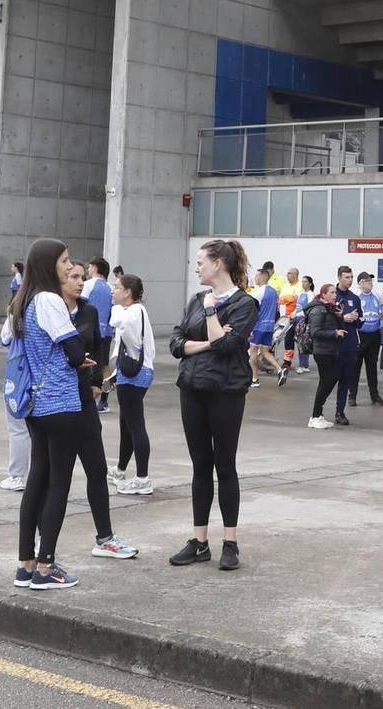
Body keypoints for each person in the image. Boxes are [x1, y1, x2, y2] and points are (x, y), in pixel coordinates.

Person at [167, 239, 258, 571]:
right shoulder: (195, 299)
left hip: (226, 392)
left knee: (225, 465)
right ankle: (199, 541)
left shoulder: (245, 304)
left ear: (217, 264)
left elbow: (226, 346)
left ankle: (230, 542)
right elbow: (176, 343)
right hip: (192, 389)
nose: (196, 268)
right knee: (200, 465)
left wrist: (210, 312)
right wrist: (207, 341)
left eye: (200, 262)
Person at [7, 239, 89, 591]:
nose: (69, 267)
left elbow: (8, 340)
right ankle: (46, 566)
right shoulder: (50, 300)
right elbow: (75, 350)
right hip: (60, 401)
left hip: (34, 403)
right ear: (48, 264)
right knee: (58, 484)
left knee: (36, 481)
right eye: (64, 261)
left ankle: (26, 564)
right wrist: (78, 355)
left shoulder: (22, 300)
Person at [60, 258, 136, 560]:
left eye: (82, 276)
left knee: (97, 468)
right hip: (56, 403)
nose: (80, 282)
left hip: (83, 399)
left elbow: (97, 347)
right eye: (74, 277)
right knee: (57, 475)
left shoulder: (89, 311)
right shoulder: (50, 310)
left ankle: (105, 538)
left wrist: (95, 383)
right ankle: (42, 544)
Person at [110, 271, 155, 495]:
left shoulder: (133, 311)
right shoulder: (137, 310)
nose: (113, 291)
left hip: (133, 374)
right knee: (127, 423)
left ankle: (142, 478)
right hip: (137, 371)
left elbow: (116, 322)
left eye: (117, 287)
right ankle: (120, 469)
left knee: (135, 425)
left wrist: (117, 311)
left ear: (128, 292)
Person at [303, 283, 348, 429]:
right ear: (324, 294)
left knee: (329, 380)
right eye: (332, 293)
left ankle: (318, 414)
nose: (335, 295)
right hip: (322, 351)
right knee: (326, 382)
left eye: (335, 293)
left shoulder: (330, 309)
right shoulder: (318, 310)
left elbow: (340, 328)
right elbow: (315, 332)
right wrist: (334, 333)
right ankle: (315, 416)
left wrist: (340, 316)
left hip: (331, 350)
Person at [248, 263, 288, 389]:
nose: (255, 278)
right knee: (265, 352)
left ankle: (255, 379)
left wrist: (249, 327)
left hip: (258, 326)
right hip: (270, 326)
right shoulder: (274, 292)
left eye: (256, 276)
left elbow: (252, 309)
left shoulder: (259, 291)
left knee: (253, 352)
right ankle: (280, 370)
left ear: (262, 276)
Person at [86, 257, 117, 411]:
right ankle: (104, 401)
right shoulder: (111, 288)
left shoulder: (87, 285)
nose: (88, 269)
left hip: (89, 332)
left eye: (90, 266)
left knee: (86, 364)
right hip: (106, 333)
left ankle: (88, 399)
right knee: (104, 365)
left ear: (95, 268)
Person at [332, 266, 363, 410]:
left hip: (350, 344)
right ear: (339, 278)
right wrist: (343, 318)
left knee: (346, 380)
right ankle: (318, 412)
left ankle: (340, 411)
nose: (350, 280)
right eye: (347, 277)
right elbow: (325, 319)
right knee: (330, 380)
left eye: (351, 277)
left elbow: (360, 321)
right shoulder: (332, 296)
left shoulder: (354, 298)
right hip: (334, 345)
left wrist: (355, 318)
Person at [354, 273, 383, 399]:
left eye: (371, 281)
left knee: (372, 367)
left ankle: (374, 395)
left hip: (374, 335)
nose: (370, 283)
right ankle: (352, 396)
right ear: (360, 283)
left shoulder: (377, 295)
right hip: (360, 335)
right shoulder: (356, 296)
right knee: (355, 366)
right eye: (367, 281)